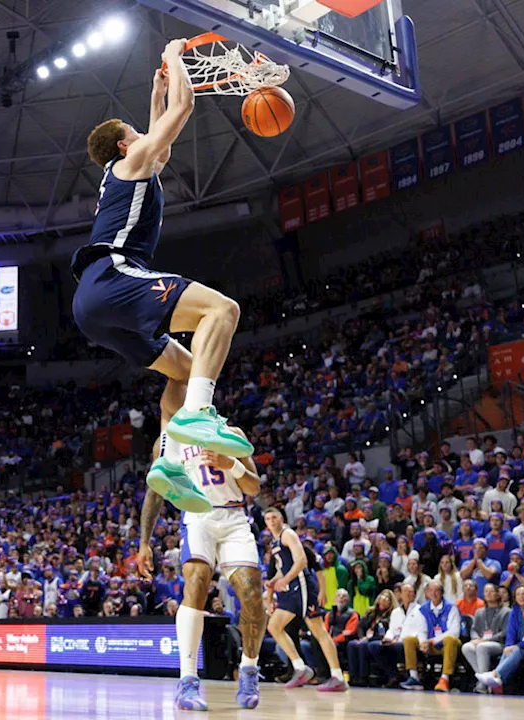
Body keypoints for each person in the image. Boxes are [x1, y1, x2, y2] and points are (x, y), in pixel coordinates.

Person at [73, 39, 250, 513]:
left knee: (188, 368)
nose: (150, 138)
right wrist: (174, 53)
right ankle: (199, 414)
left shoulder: (128, 169)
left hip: (94, 304)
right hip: (113, 278)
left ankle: (170, 461)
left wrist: (155, 92)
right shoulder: (129, 162)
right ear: (124, 144)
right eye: (137, 131)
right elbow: (185, 107)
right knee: (222, 309)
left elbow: (160, 138)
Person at [137, 429, 270, 711]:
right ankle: (187, 680)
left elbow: (254, 487)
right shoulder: (171, 437)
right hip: (198, 517)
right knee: (196, 585)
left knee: (253, 598)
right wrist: (144, 542)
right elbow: (155, 490)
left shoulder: (231, 433)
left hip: (234, 517)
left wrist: (230, 463)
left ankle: (248, 670)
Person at [263, 508, 350, 694]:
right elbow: (283, 567)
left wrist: (285, 580)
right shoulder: (275, 541)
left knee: (318, 631)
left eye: (274, 517)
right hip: (291, 590)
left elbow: (301, 560)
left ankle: (338, 677)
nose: (271, 521)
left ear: (281, 518)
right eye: (267, 518)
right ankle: (300, 667)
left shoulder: (288, 534)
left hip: (302, 586)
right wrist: (274, 581)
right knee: (274, 626)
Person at [398, 581, 462, 692]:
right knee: (409, 640)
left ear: (442, 592)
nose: (434, 593)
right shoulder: (422, 609)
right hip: (430, 644)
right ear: (426, 593)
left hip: (448, 645)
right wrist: (423, 642)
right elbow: (421, 629)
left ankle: (444, 679)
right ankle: (414, 677)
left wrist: (432, 641)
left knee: (450, 639)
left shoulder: (451, 607)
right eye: (431, 590)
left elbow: (454, 631)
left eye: (437, 590)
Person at [462, 584, 509, 692]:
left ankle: (482, 685)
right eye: (486, 591)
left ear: (498, 594)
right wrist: (475, 639)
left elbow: (504, 633)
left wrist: (485, 640)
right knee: (466, 647)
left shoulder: (506, 611)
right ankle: (485, 680)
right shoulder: (479, 612)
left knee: (482, 647)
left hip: (499, 643)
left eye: (491, 591)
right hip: (481, 641)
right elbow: (474, 629)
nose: (488, 594)